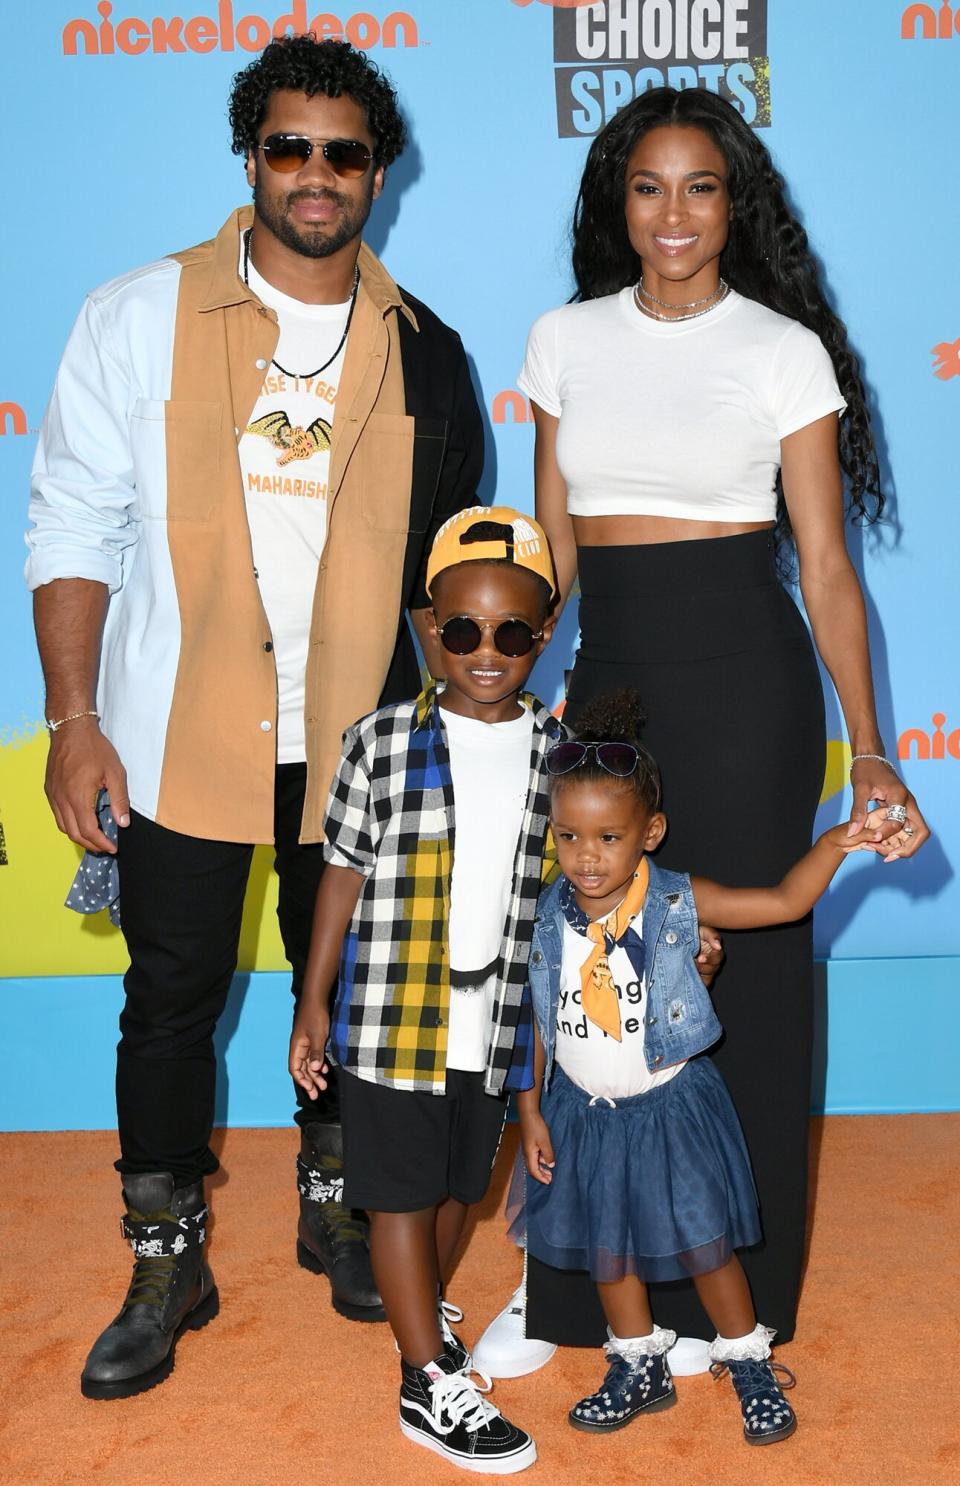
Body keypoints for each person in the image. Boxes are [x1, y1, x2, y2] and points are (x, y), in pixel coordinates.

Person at [25, 35, 484, 1400]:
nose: (316, 174)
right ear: (252, 158)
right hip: (174, 727)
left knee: (342, 986)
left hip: (354, 746)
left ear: (378, 173)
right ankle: (167, 1251)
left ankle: (333, 1202)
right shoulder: (136, 314)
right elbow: (72, 521)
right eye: (290, 146)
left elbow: (446, 581)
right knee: (167, 1000)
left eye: (344, 152)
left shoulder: (429, 353)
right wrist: (70, 718)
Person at [475, 84, 929, 1380]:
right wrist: (522, 683)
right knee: (587, 974)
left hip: (746, 680)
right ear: (617, 202)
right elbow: (553, 542)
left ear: (737, 205)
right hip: (612, 670)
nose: (673, 214)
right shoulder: (563, 337)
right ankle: (574, 1295)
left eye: (701, 187)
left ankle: (745, 1296)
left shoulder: (783, 350)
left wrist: (874, 743)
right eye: (648, 187)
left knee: (746, 972)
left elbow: (828, 565)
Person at [512, 690, 902, 1446]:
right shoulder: (544, 914)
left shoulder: (677, 904)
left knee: (703, 1241)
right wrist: (529, 1109)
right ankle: (637, 1362)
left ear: (649, 833)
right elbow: (534, 1018)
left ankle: (746, 1356)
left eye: (609, 837)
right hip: (582, 1111)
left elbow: (784, 901)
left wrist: (837, 843)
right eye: (569, 836)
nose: (587, 857)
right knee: (606, 1245)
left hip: (670, 1107)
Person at [289, 506, 569, 1473]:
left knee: (459, 1189)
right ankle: (425, 1378)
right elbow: (341, 871)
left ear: (544, 632)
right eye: (461, 631)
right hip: (388, 1016)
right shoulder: (378, 743)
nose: (484, 652)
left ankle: (422, 1312)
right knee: (401, 1200)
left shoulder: (555, 751)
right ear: (428, 629)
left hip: (496, 1021)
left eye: (512, 634)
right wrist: (312, 998)